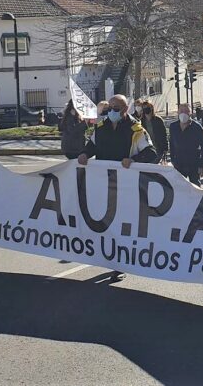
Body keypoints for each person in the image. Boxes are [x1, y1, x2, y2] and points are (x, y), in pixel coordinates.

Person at [78, 94, 157, 282]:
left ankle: (120, 263)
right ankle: (111, 259)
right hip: (103, 184)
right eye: (108, 108)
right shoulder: (101, 128)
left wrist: (133, 160)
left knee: (122, 225)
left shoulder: (135, 130)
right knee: (105, 224)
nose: (110, 112)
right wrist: (84, 155)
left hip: (126, 186)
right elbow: (92, 147)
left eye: (115, 108)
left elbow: (151, 152)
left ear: (124, 110)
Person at [169, 104, 203, 186]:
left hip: (193, 164)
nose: (183, 113)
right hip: (178, 163)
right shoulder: (173, 127)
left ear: (191, 113)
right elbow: (171, 144)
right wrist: (172, 159)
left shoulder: (197, 128)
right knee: (178, 187)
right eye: (181, 111)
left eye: (186, 111)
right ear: (178, 112)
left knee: (195, 188)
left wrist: (202, 166)